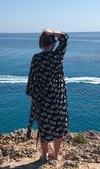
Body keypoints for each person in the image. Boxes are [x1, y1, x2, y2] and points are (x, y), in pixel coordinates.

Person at [26, 29, 69, 161]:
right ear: (53, 44)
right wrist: (51, 31)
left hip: (43, 98)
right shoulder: (57, 56)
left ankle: (44, 156)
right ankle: (55, 154)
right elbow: (65, 37)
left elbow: (31, 79)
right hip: (58, 97)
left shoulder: (36, 58)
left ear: (41, 44)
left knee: (44, 128)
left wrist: (32, 98)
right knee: (60, 127)